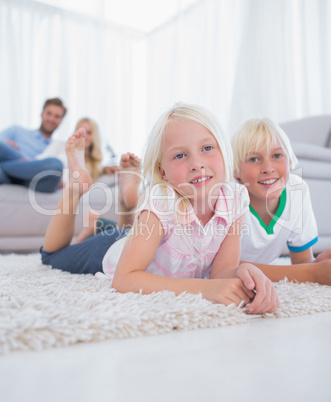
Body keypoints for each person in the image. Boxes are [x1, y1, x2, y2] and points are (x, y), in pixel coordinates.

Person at [40, 103, 279, 314]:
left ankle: (112, 212)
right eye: (180, 155)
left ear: (225, 152)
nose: (197, 164)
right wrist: (205, 289)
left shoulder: (235, 198)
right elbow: (124, 280)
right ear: (162, 172)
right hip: (111, 250)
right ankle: (75, 188)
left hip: (148, 239)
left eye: (207, 148)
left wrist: (245, 272)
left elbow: (221, 272)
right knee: (50, 256)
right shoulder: (163, 198)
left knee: (124, 230)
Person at [231, 117, 331, 284]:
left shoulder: (297, 190)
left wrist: (318, 264)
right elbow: (224, 269)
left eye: (277, 155)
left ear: (290, 162)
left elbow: (301, 262)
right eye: (254, 159)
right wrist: (312, 273)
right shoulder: (231, 198)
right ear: (235, 172)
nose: (268, 168)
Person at [0, 97, 67, 192]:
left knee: (56, 165)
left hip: (35, 181)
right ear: (42, 114)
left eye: (57, 116)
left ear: (61, 120)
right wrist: (5, 143)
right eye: (49, 113)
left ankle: (5, 166)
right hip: (9, 171)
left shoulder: (57, 147)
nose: (52, 119)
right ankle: (14, 169)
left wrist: (31, 164)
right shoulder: (17, 130)